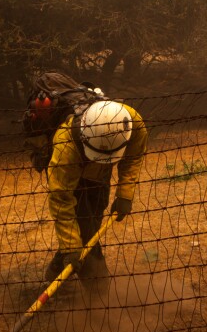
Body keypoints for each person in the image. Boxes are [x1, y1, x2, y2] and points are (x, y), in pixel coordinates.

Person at [44, 98, 148, 292]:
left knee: (93, 221)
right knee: (86, 232)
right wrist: (70, 247)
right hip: (73, 176)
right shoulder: (65, 146)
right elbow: (61, 199)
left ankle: (56, 270)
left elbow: (133, 158)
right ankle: (99, 292)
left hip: (100, 177)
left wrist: (125, 194)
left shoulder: (132, 123)